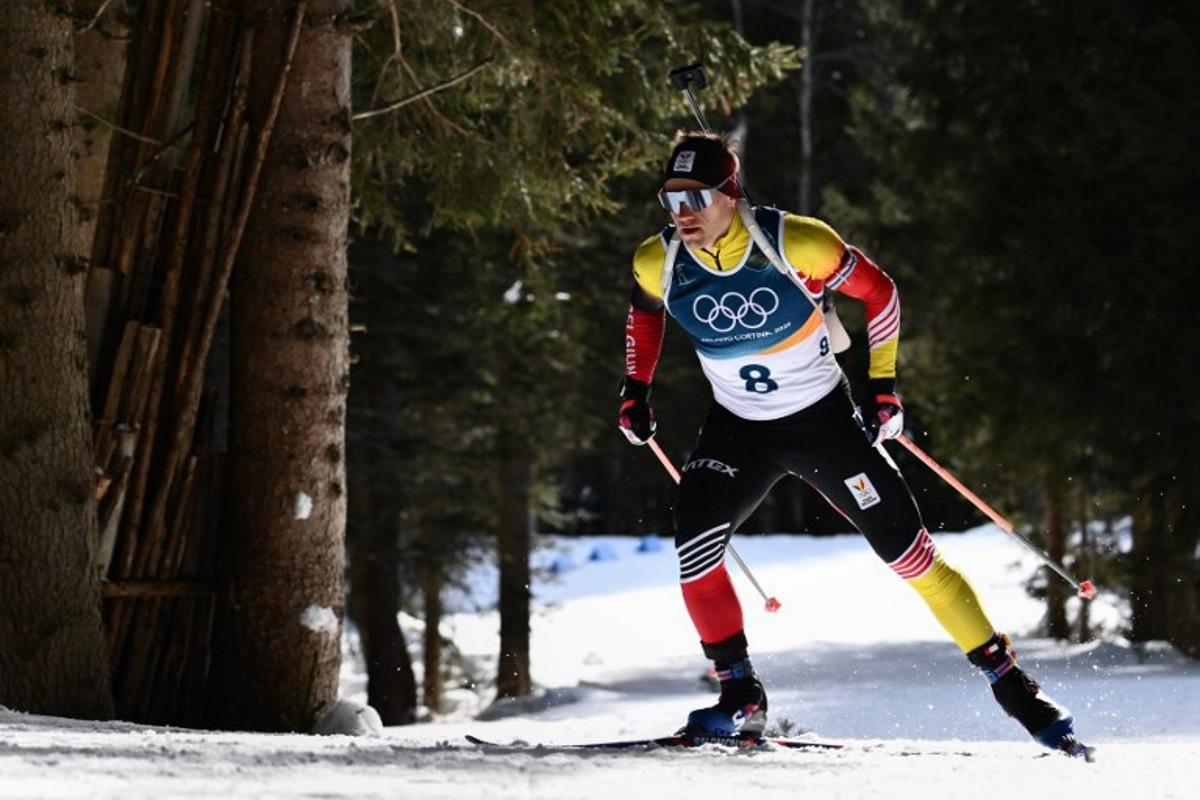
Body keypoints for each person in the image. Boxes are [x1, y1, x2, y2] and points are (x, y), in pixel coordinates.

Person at [618, 131, 1085, 754]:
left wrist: (883, 386)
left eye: (697, 198)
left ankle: (1011, 683)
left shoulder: (797, 242)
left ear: (731, 193)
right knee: (693, 547)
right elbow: (645, 311)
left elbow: (881, 294)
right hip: (737, 427)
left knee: (909, 555)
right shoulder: (659, 259)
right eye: (671, 200)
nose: (684, 214)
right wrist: (635, 389)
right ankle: (740, 694)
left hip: (822, 423)